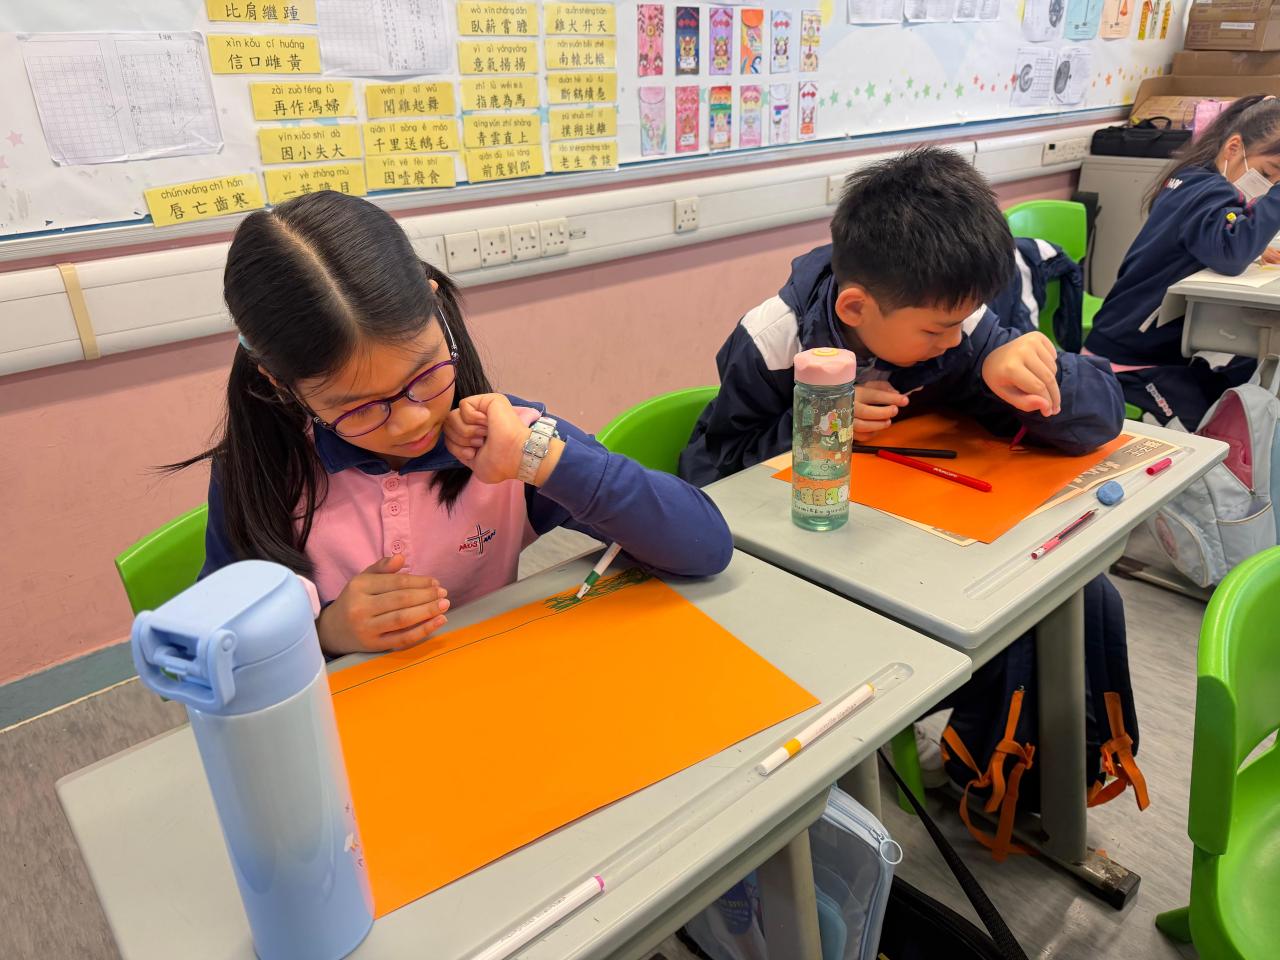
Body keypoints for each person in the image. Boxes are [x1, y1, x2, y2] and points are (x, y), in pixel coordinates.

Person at [173, 191, 733, 656]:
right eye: (361, 407)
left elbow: (703, 546)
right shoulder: (261, 471)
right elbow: (212, 648)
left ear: (437, 308)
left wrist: (541, 458)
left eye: (425, 374)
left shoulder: (506, 436)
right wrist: (324, 633)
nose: (413, 419)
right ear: (279, 383)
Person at [679, 146, 1124, 487]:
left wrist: (1046, 379)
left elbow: (1101, 421)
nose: (955, 340)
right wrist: (819, 425)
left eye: (963, 321)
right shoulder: (773, 343)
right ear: (855, 308)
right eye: (936, 330)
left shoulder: (961, 327)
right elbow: (710, 474)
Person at [1086, 94, 1280, 428]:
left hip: (1145, 345)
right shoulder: (1207, 191)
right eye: (1268, 174)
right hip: (1127, 360)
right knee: (1209, 430)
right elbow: (1231, 254)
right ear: (1234, 147)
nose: (1269, 187)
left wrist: (1256, 245)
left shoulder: (1194, 179)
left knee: (1247, 370)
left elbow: (1208, 234)